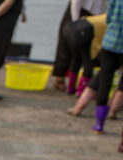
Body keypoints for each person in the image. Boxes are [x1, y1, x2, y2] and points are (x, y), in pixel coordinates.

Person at [67, 0, 122, 133]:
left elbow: (108, 17)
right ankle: (112, 112)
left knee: (104, 79)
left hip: (110, 42)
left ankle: (98, 123)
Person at [52, 0, 106, 90]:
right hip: (77, 11)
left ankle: (79, 83)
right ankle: (60, 77)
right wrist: (75, 22)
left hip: (94, 16)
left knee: (87, 50)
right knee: (66, 46)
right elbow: (75, 2)